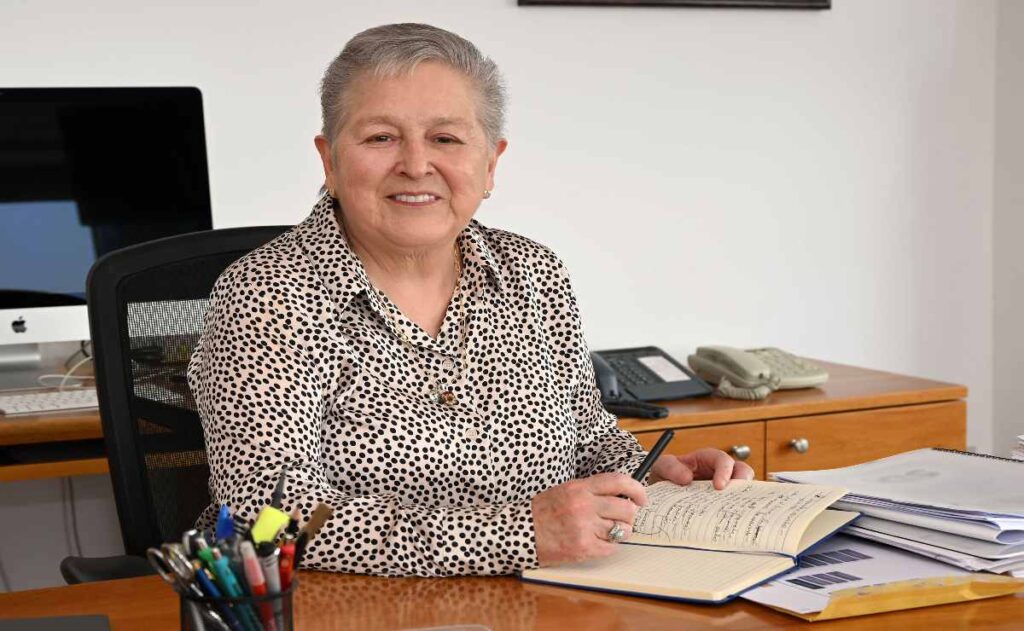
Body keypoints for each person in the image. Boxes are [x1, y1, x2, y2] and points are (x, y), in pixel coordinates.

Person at [188, 22, 754, 577]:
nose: (415, 164)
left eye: (446, 139)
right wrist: (517, 535)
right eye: (381, 137)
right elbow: (266, 519)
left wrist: (655, 477)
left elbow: (588, 436)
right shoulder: (266, 295)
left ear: (490, 163)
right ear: (330, 160)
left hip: (552, 600)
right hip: (349, 614)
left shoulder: (535, 273)